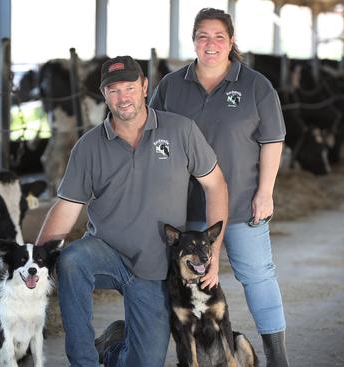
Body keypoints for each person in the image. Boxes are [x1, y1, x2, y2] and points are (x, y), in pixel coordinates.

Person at [36, 55, 228, 367]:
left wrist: (215, 252)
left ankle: (112, 348)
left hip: (155, 267)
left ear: (144, 87)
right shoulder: (89, 146)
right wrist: (37, 260)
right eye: (114, 90)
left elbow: (215, 185)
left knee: (147, 361)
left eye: (129, 87)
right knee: (71, 261)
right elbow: (68, 206)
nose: (122, 97)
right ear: (104, 94)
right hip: (106, 251)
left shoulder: (180, 130)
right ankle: (83, 362)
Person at [150, 8, 291, 367]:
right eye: (202, 36)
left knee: (258, 276)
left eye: (218, 37)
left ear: (231, 41)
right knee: (186, 285)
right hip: (187, 211)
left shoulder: (256, 85)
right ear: (193, 40)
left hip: (244, 203)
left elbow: (273, 140)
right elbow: (151, 133)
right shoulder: (171, 85)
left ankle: (278, 358)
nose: (210, 44)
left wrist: (265, 192)